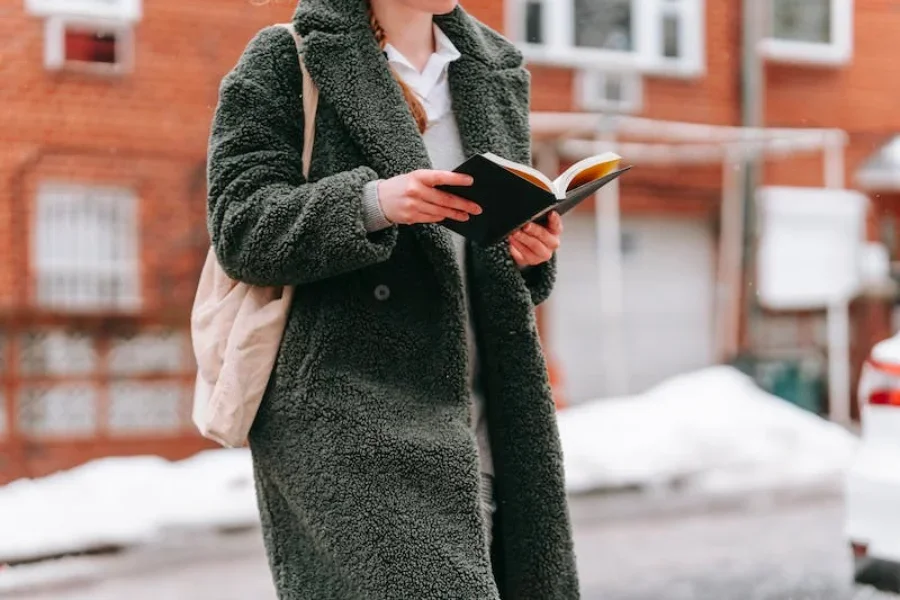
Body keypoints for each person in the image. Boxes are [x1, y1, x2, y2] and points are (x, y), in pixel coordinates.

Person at [206, 0, 579, 597]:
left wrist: (528, 252)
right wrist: (373, 204)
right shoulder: (288, 56)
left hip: (486, 403)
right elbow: (241, 227)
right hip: (352, 409)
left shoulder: (493, 68)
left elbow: (483, 241)